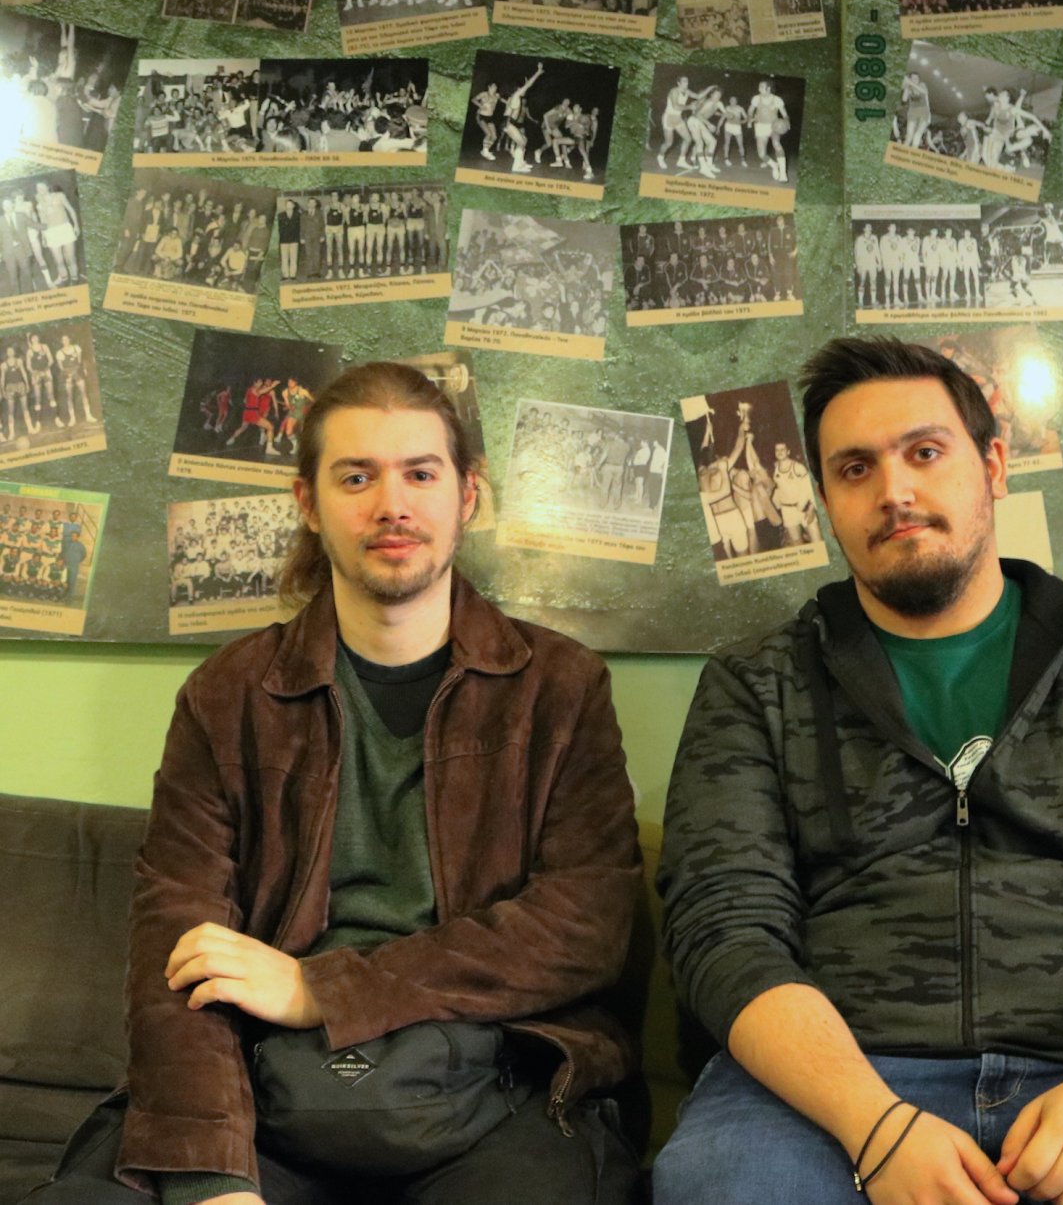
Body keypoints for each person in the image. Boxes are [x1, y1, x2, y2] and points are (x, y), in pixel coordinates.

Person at [655, 337, 1063, 1205]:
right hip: (833, 1087)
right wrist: (874, 1124)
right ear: (825, 504)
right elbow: (722, 928)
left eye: (925, 452)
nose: (894, 490)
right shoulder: (755, 685)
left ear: (994, 466)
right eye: (855, 468)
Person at [26, 362, 641, 1205]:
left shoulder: (561, 688)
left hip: (499, 1090)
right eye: (357, 477)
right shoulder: (226, 696)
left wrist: (321, 987)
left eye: (420, 473)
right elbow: (179, 954)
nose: (392, 503)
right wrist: (213, 1178)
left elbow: (586, 925)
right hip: (266, 1093)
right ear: (308, 504)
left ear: (467, 494)